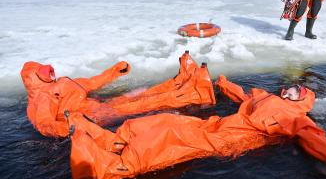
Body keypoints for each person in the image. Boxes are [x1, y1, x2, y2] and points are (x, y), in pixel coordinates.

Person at [66, 75, 326, 179]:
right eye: (292, 87)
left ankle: (104, 168)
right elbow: (242, 94)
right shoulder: (268, 96)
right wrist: (223, 84)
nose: (291, 89)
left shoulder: (297, 116)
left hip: (228, 139)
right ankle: (111, 138)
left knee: (171, 142)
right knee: (165, 120)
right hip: (217, 125)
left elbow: (314, 141)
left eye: (298, 91)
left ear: (303, 101)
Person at [20, 51, 216, 138]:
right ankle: (196, 94)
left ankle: (179, 82)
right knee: (140, 104)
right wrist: (69, 128)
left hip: (97, 107)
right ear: (35, 78)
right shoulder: (43, 98)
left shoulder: (59, 83)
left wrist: (114, 71)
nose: (50, 73)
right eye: (45, 72)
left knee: (138, 96)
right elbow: (44, 124)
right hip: (93, 117)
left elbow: (91, 83)